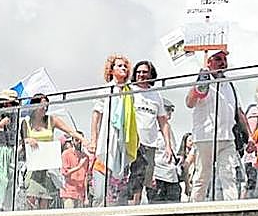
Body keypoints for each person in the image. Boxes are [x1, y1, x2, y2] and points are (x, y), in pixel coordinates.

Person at [186, 48, 248, 202]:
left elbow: (239, 112)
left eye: (224, 59)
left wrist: (250, 136)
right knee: (202, 176)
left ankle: (231, 207)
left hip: (227, 137)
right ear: (210, 62)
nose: (222, 63)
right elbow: (190, 102)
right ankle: (194, 207)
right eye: (218, 59)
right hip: (205, 137)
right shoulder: (203, 81)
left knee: (229, 175)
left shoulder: (229, 84)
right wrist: (200, 83)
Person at [88, 54, 138, 206]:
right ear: (111, 70)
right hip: (107, 136)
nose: (123, 68)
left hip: (122, 138)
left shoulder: (129, 91)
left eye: (125, 66)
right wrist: (94, 140)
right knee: (101, 183)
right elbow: (96, 115)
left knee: (119, 183)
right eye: (119, 66)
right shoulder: (106, 89)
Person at [23, 94, 83, 209]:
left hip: (48, 166)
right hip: (33, 165)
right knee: (30, 198)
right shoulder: (26, 123)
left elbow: (71, 131)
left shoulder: (52, 120)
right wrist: (27, 140)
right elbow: (22, 141)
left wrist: (83, 140)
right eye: (42, 105)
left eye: (47, 105)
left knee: (45, 200)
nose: (45, 108)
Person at [128, 61, 175, 204]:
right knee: (132, 180)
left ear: (151, 74)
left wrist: (168, 145)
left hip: (150, 144)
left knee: (143, 181)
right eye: (139, 72)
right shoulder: (129, 90)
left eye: (145, 72)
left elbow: (163, 122)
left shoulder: (156, 96)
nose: (141, 75)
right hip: (132, 143)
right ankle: (128, 210)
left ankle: (136, 211)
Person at [60, 135, 91, 208]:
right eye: (77, 140)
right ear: (72, 141)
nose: (79, 142)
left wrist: (86, 196)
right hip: (69, 192)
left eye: (81, 140)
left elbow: (85, 177)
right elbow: (65, 172)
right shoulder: (66, 154)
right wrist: (79, 167)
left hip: (80, 194)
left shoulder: (85, 157)